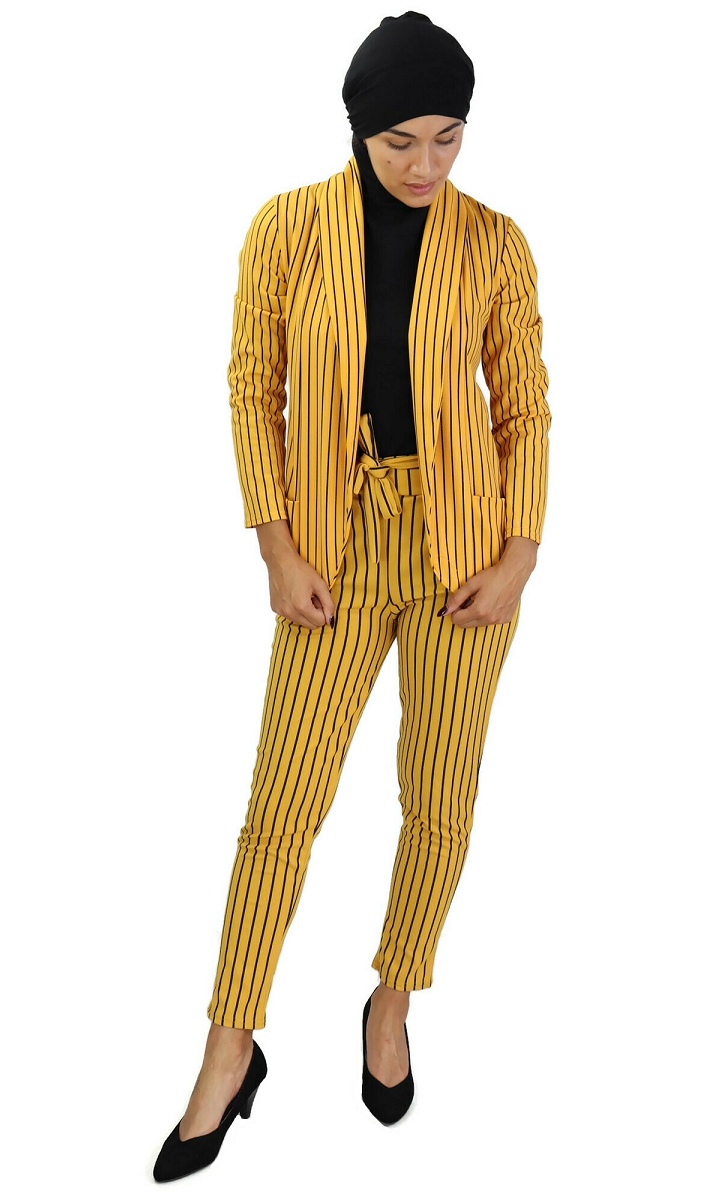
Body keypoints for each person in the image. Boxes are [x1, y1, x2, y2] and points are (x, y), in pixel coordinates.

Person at [153, 10, 550, 1183]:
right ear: (356, 131)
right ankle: (230, 1043)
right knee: (281, 807)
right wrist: (275, 549)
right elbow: (251, 389)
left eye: (448, 138)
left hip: (463, 553)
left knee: (439, 799)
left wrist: (519, 556)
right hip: (331, 547)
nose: (426, 165)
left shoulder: (495, 243)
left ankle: (392, 997)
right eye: (399, 142)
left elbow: (525, 404)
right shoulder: (286, 228)